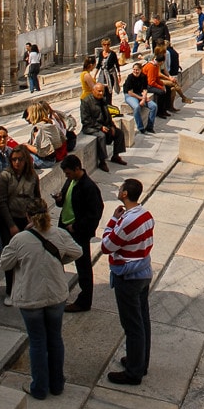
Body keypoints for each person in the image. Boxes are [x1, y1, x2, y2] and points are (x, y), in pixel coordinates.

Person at [0, 198, 81, 399]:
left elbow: (4, 264)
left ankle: (40, 387)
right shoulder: (59, 234)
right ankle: (57, 384)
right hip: (55, 296)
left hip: (30, 297)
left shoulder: (20, 240)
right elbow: (77, 252)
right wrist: (61, 259)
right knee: (55, 338)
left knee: (37, 342)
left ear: (28, 216)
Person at [102, 178, 154, 386]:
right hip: (143, 272)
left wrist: (113, 221)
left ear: (125, 194)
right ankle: (140, 361)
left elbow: (107, 245)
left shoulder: (127, 221)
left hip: (128, 276)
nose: (119, 189)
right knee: (142, 320)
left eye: (121, 187)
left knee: (132, 325)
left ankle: (134, 372)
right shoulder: (146, 215)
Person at [55, 155, 105, 312]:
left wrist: (76, 227)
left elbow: (94, 213)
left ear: (77, 169)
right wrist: (59, 199)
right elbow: (63, 201)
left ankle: (84, 301)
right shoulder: (71, 181)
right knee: (56, 260)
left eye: (68, 173)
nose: (66, 176)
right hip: (63, 227)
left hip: (78, 232)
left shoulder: (89, 187)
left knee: (83, 267)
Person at [0, 147, 41, 304]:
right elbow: (1, 202)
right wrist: (11, 225)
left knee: (27, 257)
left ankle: (26, 289)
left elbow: (37, 199)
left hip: (26, 220)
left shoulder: (32, 176)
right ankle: (10, 291)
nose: (16, 162)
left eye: (20, 159)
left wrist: (34, 221)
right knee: (11, 257)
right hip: (9, 220)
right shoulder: (4, 176)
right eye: (13, 159)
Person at [80, 82, 127, 172]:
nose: (101, 93)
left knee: (119, 133)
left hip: (104, 125)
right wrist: (100, 127)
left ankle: (116, 155)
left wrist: (112, 126)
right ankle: (102, 161)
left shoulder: (103, 100)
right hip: (91, 127)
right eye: (99, 91)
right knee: (101, 136)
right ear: (93, 91)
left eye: (102, 91)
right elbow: (85, 119)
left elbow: (107, 115)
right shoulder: (86, 102)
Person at [22, 103, 62, 170]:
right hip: (53, 158)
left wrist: (26, 145)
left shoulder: (38, 128)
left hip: (44, 161)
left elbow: (40, 151)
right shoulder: (49, 123)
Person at [122, 62, 158, 134]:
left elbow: (145, 89)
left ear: (141, 70)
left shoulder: (143, 77)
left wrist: (144, 98)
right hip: (130, 95)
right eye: (134, 69)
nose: (135, 71)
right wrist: (141, 98)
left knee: (154, 106)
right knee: (136, 107)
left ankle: (149, 127)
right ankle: (141, 127)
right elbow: (130, 93)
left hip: (139, 94)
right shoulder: (130, 77)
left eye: (137, 70)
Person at [96, 37, 121, 102]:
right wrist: (94, 75)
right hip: (102, 75)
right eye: (104, 45)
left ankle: (109, 106)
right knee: (102, 91)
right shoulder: (101, 53)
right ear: (102, 45)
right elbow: (99, 64)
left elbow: (116, 64)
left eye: (108, 44)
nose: (106, 46)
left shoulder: (113, 54)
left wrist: (119, 75)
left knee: (109, 93)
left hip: (111, 75)